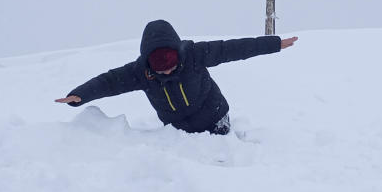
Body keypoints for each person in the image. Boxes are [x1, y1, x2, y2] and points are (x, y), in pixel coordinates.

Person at [55, 19, 297, 135]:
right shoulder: (141, 73)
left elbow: (234, 48)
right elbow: (109, 81)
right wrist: (80, 95)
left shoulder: (194, 55)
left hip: (215, 117)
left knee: (223, 168)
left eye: (171, 63)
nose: (167, 70)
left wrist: (274, 44)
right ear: (149, 62)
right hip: (179, 131)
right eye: (160, 66)